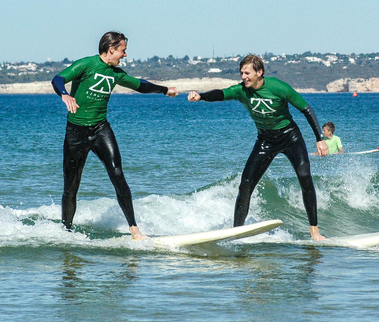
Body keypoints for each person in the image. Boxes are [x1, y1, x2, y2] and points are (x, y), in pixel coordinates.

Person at [187, 54, 329, 241]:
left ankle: (314, 231)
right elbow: (221, 94)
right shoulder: (241, 91)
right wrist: (201, 96)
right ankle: (236, 233)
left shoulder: (278, 87)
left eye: (247, 73)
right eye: (241, 73)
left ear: (259, 72)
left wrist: (319, 138)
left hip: (290, 137)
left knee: (305, 179)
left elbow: (306, 109)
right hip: (265, 140)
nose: (243, 77)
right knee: (245, 185)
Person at [51, 31, 178, 238]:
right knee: (71, 186)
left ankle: (134, 229)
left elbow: (141, 85)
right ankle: (66, 231)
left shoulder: (116, 74)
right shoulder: (86, 64)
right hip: (76, 132)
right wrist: (64, 94)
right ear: (111, 49)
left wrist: (164, 90)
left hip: (101, 129)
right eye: (123, 50)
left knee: (117, 174)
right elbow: (58, 78)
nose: (125, 55)